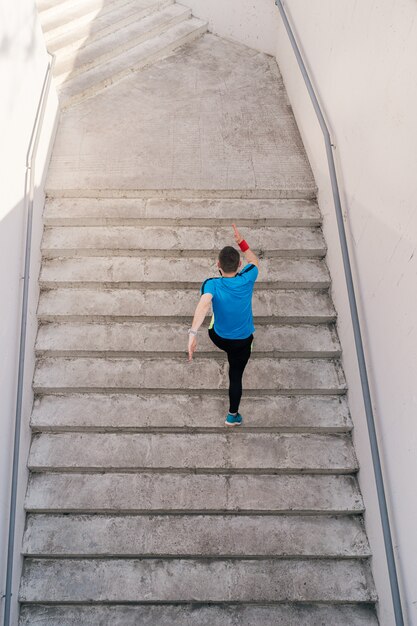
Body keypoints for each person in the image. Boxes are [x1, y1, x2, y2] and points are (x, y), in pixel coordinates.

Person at [187, 224, 259, 426]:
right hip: (243, 341)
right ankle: (232, 416)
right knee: (236, 376)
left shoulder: (211, 283)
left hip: (218, 337)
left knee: (214, 319)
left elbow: (203, 304)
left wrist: (192, 334)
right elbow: (254, 260)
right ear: (239, 267)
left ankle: (220, 326)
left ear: (217, 264)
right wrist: (241, 242)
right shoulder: (248, 276)